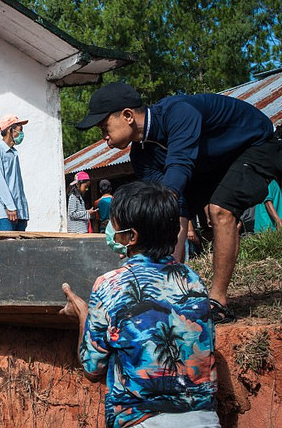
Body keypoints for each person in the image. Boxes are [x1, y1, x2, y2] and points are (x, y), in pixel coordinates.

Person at [76, 82, 282, 323]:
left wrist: (145, 234)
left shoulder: (178, 113)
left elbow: (179, 168)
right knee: (174, 212)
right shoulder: (141, 155)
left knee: (220, 209)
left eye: (104, 127)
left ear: (127, 115)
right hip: (215, 163)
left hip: (257, 144)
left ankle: (218, 303)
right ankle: (169, 295)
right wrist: (147, 249)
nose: (104, 137)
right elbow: (171, 208)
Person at [60, 181, 219, 428]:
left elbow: (92, 368)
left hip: (141, 421)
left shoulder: (110, 285)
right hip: (204, 419)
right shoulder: (193, 281)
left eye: (115, 225)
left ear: (131, 237)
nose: (111, 230)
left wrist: (83, 313)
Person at [0, 114, 29, 231]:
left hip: (18, 213)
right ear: (10, 130)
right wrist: (10, 206)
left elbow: (17, 186)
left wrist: (23, 212)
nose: (21, 134)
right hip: (3, 213)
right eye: (20, 130)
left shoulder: (13, 153)